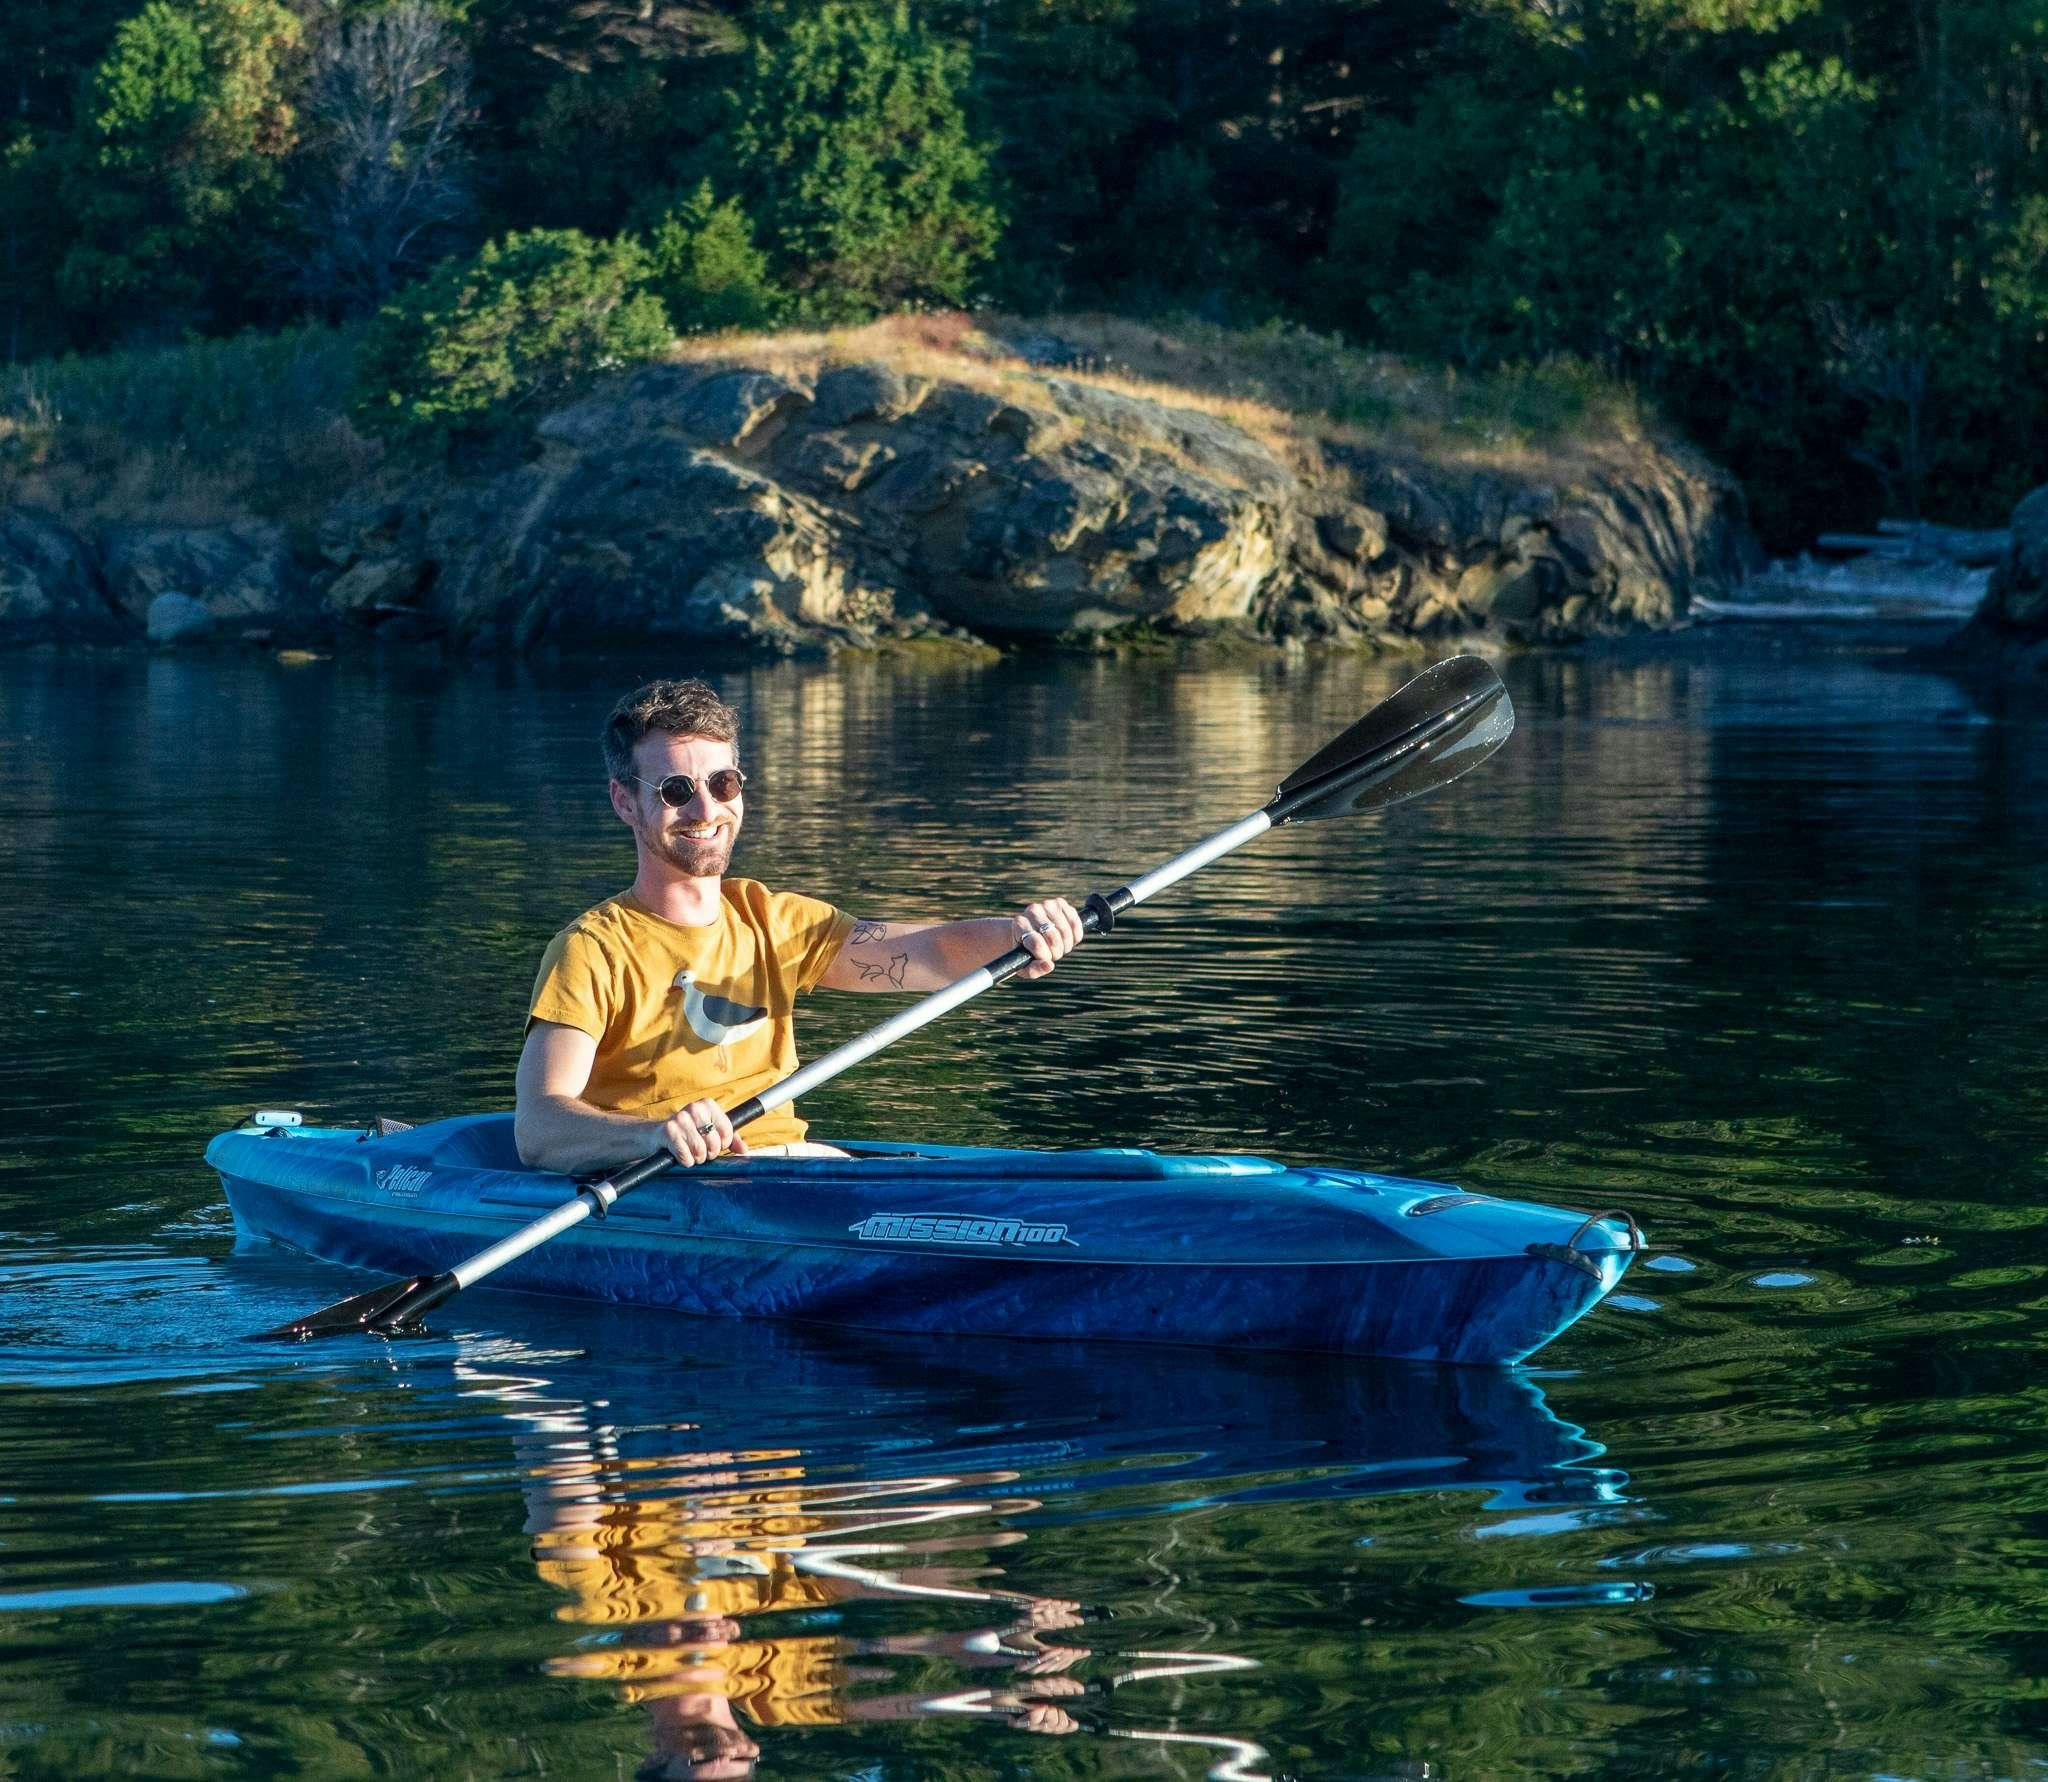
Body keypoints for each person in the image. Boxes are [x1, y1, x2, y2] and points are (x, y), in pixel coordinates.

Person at [516, 678, 1084, 1173]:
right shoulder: (592, 951)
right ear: (624, 802)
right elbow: (539, 1130)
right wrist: (654, 1132)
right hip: (669, 1181)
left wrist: (1015, 935)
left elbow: (928, 952)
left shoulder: (774, 921)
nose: (706, 810)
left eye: (724, 784)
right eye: (675, 791)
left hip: (785, 1166)